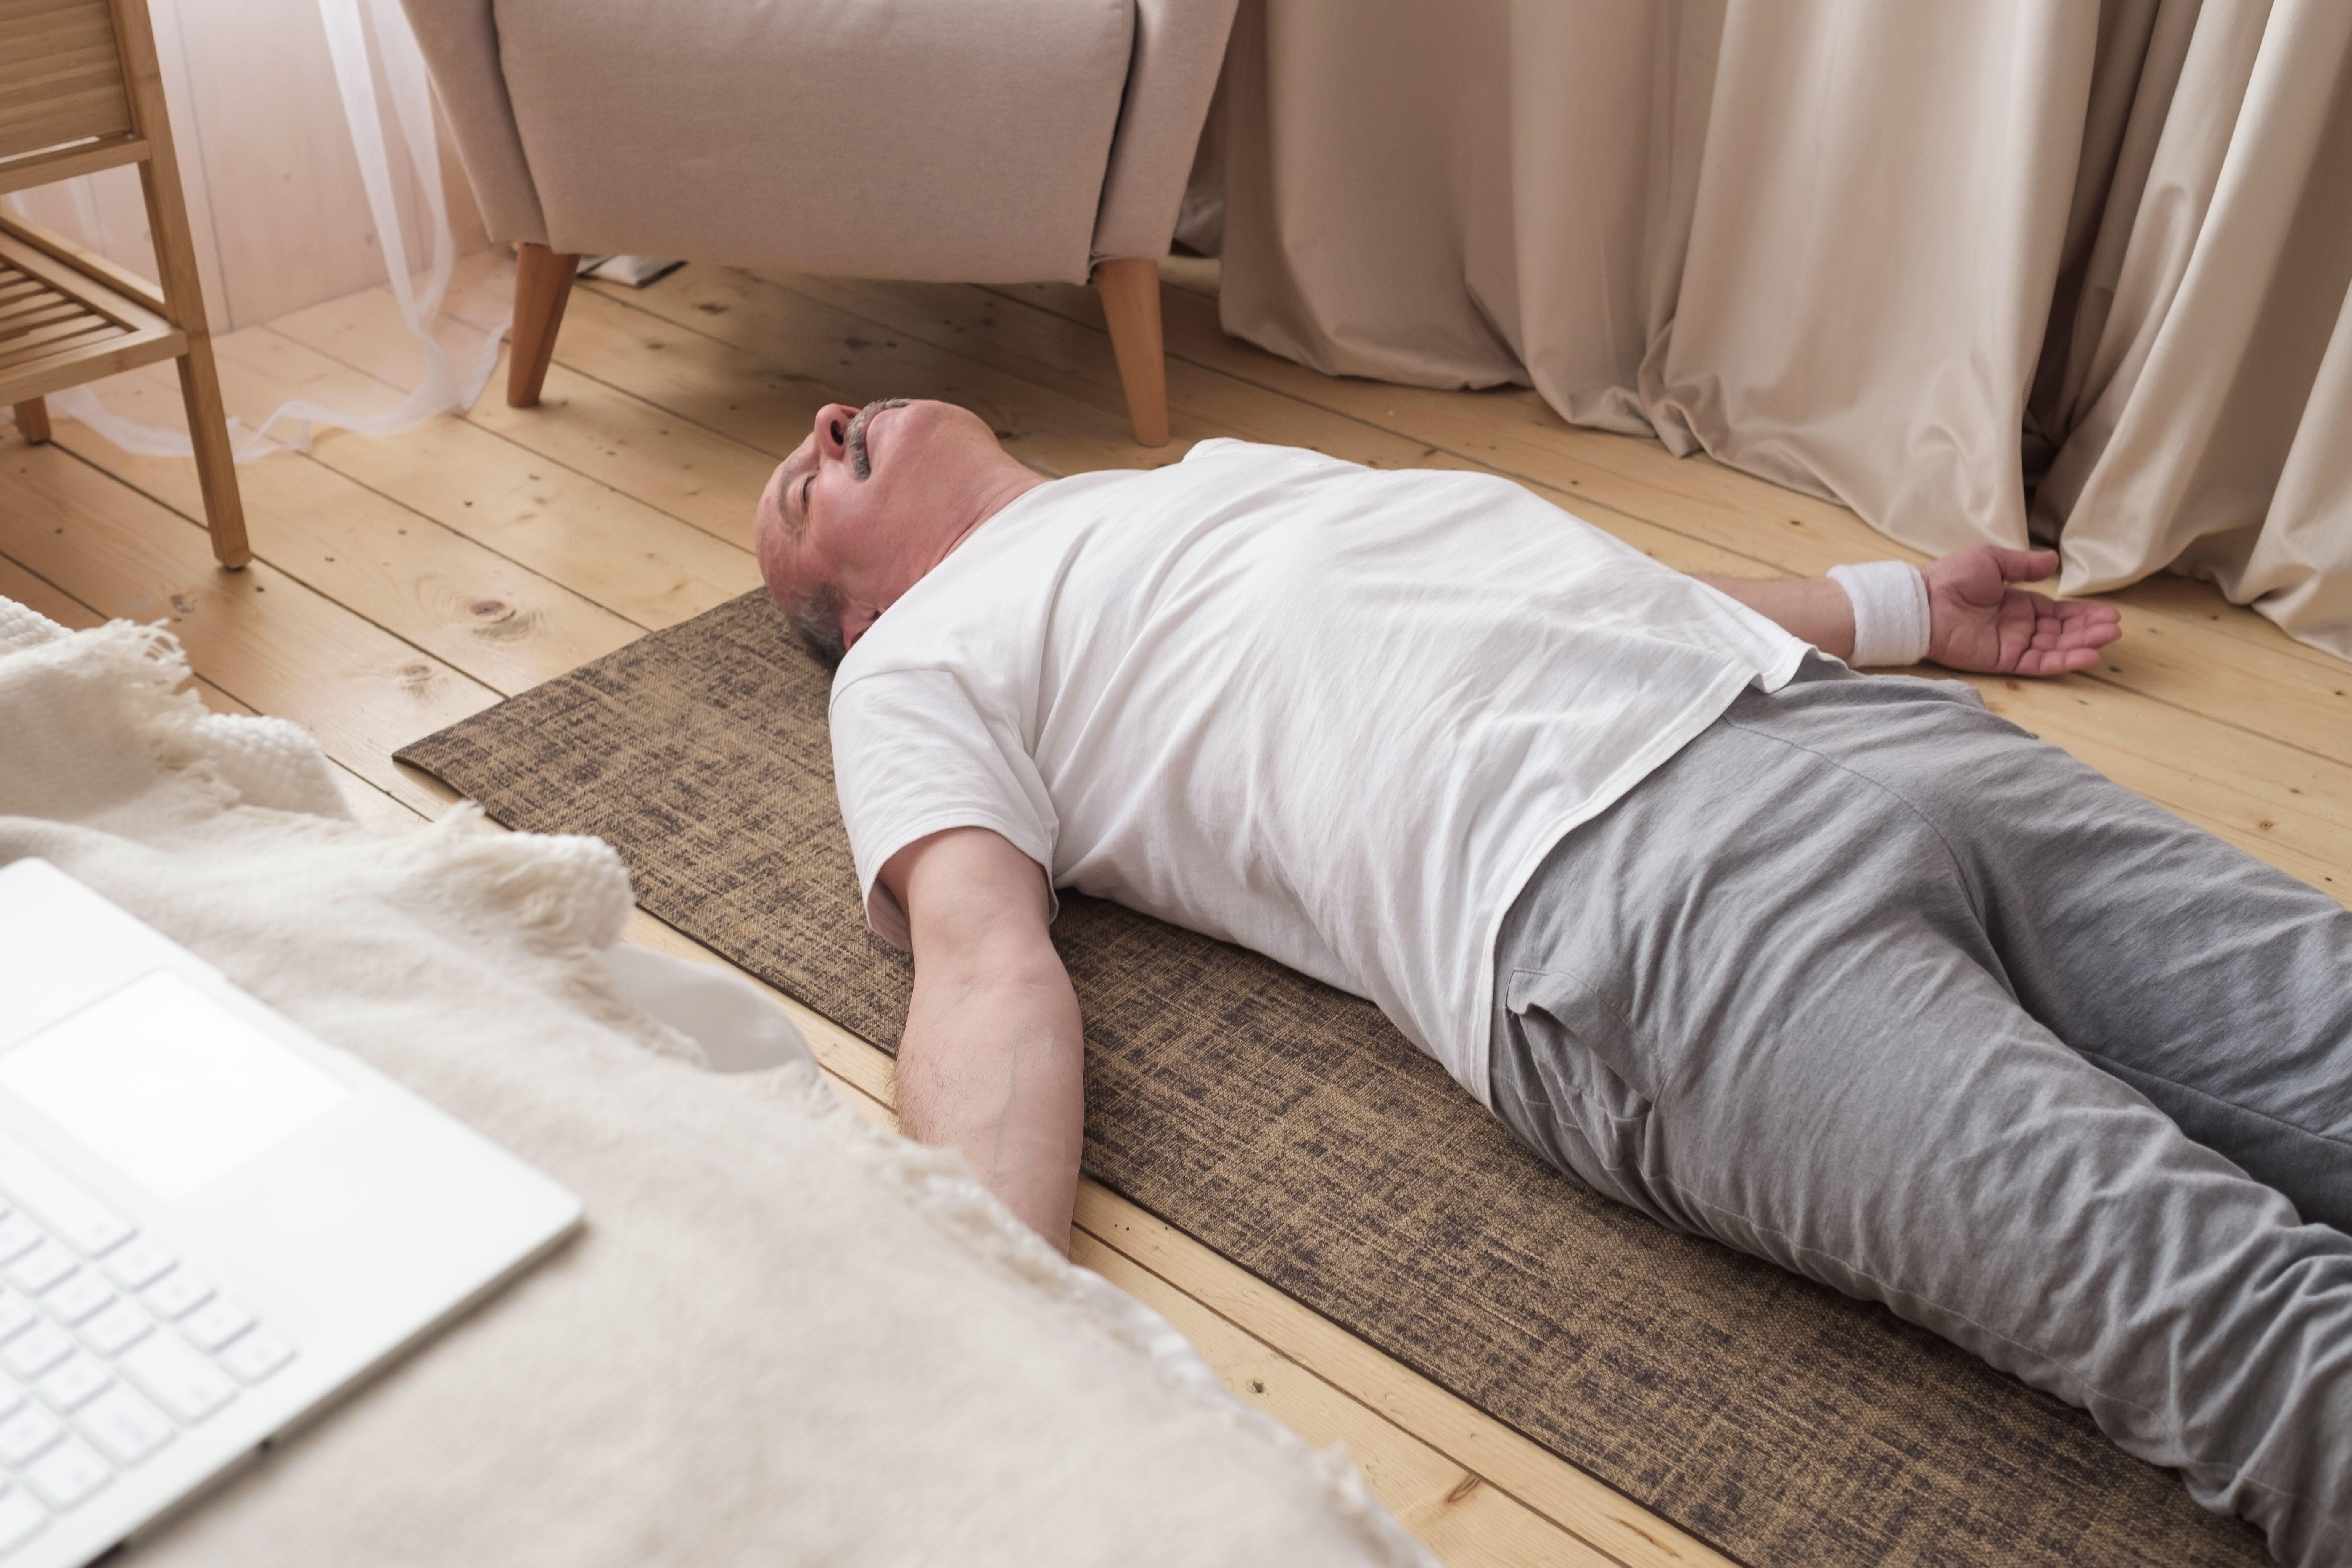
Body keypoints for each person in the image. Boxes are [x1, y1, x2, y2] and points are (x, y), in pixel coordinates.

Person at [754, 397, 2350, 1567]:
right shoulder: (913, 665)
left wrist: (1896, 610)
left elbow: (1588, 593)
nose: (826, 421)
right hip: (1620, 901)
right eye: (797, 487)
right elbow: (980, 965)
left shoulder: (1213, 474)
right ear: (858, 610)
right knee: (2247, 1317)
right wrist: (967, 1329)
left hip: (1836, 726)